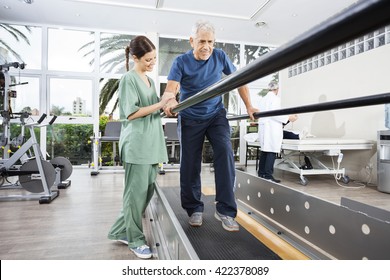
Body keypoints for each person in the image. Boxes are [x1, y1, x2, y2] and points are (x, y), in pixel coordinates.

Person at [163, 20, 258, 232]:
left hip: (215, 114)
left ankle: (225, 210)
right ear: (191, 41)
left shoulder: (220, 57)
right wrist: (170, 101)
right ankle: (194, 208)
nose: (206, 46)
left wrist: (250, 106)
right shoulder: (181, 62)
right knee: (190, 163)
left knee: (225, 153)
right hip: (189, 117)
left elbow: (239, 80)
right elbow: (170, 90)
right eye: (201, 41)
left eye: (210, 42)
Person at [107, 35, 175, 259]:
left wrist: (168, 107)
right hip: (137, 144)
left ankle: (120, 230)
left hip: (151, 142)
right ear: (135, 57)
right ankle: (135, 239)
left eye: (154, 58)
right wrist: (160, 103)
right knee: (134, 195)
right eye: (147, 59)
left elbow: (153, 109)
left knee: (145, 193)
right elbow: (132, 113)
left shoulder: (150, 80)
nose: (152, 63)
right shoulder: (128, 79)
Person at [258, 81, 298, 183]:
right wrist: (289, 117)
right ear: (277, 89)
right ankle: (268, 175)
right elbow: (276, 114)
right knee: (271, 151)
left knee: (265, 150)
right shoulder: (275, 99)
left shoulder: (263, 99)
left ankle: (261, 173)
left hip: (264, 128)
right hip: (271, 128)